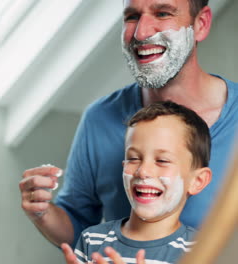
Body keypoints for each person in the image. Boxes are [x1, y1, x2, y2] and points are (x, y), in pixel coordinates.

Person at [19, 0, 238, 250]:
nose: (141, 32)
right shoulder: (99, 118)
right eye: (132, 17)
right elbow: (78, 229)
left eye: (163, 13)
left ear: (201, 24)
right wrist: (42, 212)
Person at [61, 101, 212, 263]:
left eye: (162, 160)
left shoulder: (200, 251)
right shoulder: (92, 239)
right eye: (133, 158)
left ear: (197, 181)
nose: (143, 171)